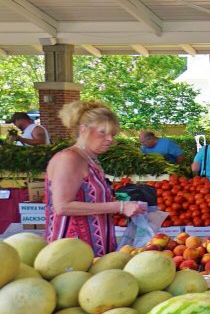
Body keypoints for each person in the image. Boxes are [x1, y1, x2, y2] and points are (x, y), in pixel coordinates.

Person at [45, 101, 146, 255]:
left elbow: (90, 200)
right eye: (102, 132)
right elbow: (62, 206)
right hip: (71, 253)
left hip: (92, 249)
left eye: (112, 134)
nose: (110, 139)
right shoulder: (69, 158)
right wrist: (119, 207)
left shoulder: (89, 159)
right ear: (83, 130)